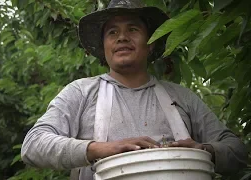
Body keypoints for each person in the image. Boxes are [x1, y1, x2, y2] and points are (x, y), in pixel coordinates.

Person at [21, 0, 248, 179]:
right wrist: (98, 149)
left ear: (150, 44)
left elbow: (237, 151)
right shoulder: (80, 92)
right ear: (104, 47)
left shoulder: (182, 97)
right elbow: (33, 145)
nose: (122, 37)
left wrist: (203, 150)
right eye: (112, 32)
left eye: (132, 29)